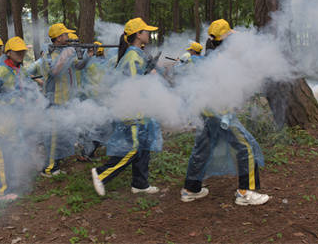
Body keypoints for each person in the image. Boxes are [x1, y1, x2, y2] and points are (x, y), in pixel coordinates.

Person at [180, 19, 269, 206]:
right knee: (246, 148)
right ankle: (246, 192)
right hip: (220, 113)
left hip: (206, 110)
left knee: (201, 150)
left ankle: (191, 189)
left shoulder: (212, 55)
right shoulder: (223, 58)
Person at [91, 17, 162, 197]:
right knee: (134, 149)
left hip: (141, 109)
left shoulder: (137, 54)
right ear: (138, 35)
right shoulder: (132, 56)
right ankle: (101, 174)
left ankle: (140, 184)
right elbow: (132, 86)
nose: (149, 34)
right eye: (146, 31)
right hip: (133, 110)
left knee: (144, 146)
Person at [29, 23, 87, 177]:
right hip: (53, 101)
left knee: (62, 133)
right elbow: (54, 72)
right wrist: (65, 55)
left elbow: (78, 66)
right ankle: (48, 168)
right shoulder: (47, 55)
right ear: (59, 38)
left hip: (66, 101)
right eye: (65, 35)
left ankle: (57, 162)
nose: (68, 37)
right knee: (53, 135)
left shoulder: (65, 52)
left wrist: (88, 56)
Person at [0, 36, 31, 201]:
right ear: (9, 53)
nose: (21, 54)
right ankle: (2, 191)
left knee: (11, 154)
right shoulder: (1, 71)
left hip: (14, 121)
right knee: (2, 156)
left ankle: (9, 184)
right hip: (1, 122)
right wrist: (11, 102)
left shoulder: (20, 70)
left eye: (22, 52)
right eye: (17, 52)